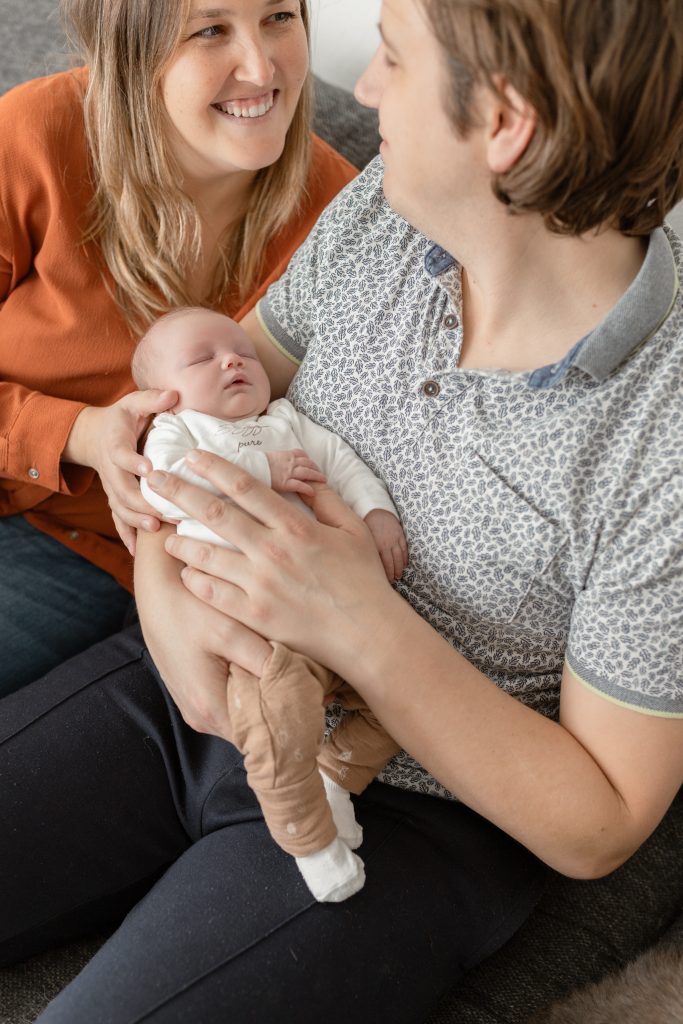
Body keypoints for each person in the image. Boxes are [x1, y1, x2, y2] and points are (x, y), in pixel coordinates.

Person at [1, 2, 682, 1023]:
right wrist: (169, 609)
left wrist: (356, 620)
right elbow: (183, 422)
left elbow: (600, 821)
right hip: (188, 683)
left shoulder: (660, 435)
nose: (358, 89)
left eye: (394, 61)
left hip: (418, 807)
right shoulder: (377, 214)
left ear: (503, 124)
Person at [0, 0, 356, 696]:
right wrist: (80, 433)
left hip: (160, 565)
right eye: (211, 30)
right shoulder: (33, 139)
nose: (261, 67)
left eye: (280, 17)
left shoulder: (341, 212)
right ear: (134, 54)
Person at [132, 305, 406, 901]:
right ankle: (311, 846)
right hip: (258, 635)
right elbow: (162, 485)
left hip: (336, 618)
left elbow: (342, 464)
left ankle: (338, 777)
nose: (232, 358)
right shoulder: (178, 431)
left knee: (403, 705)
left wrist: (377, 512)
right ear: (162, 396)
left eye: (243, 352)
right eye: (202, 358)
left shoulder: (286, 419)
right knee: (277, 734)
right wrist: (263, 470)